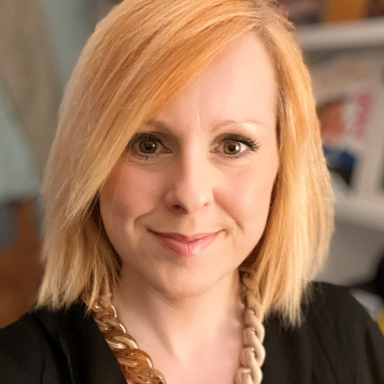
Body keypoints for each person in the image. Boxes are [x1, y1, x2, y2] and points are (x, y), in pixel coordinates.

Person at [1, 0, 384, 383]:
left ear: (283, 164)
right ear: (92, 162)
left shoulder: (347, 334)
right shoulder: (19, 367)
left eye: (233, 146)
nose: (190, 194)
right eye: (147, 144)